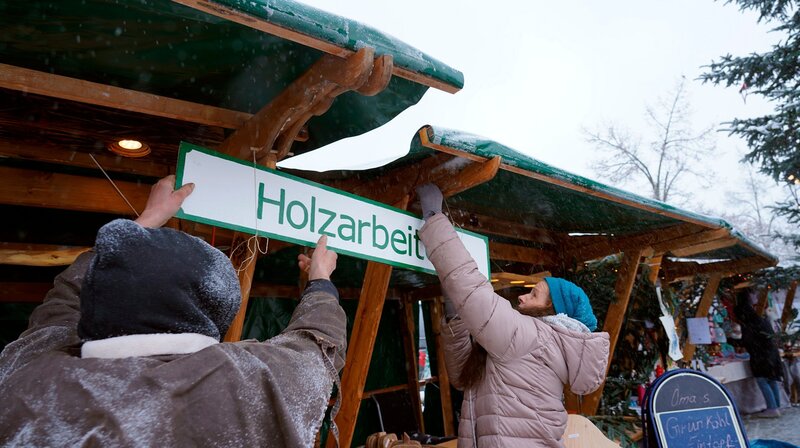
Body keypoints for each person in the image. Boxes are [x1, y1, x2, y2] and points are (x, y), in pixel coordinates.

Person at [0, 175, 347, 447]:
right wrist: (320, 278)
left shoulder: (27, 375)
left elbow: (63, 303)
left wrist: (141, 227)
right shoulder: (250, 383)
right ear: (218, 310)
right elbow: (319, 345)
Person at [415, 183, 610, 448]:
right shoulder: (528, 343)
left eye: (534, 295)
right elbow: (462, 376)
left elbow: (472, 290)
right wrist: (455, 315)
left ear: (554, 311)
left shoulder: (532, 337)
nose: (522, 297)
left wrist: (434, 219)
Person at [734, 298, 784, 418]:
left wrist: (733, 341)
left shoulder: (748, 325)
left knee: (763, 381)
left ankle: (772, 408)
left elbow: (747, 342)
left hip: (761, 357)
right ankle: (776, 406)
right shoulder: (762, 320)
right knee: (771, 380)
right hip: (771, 354)